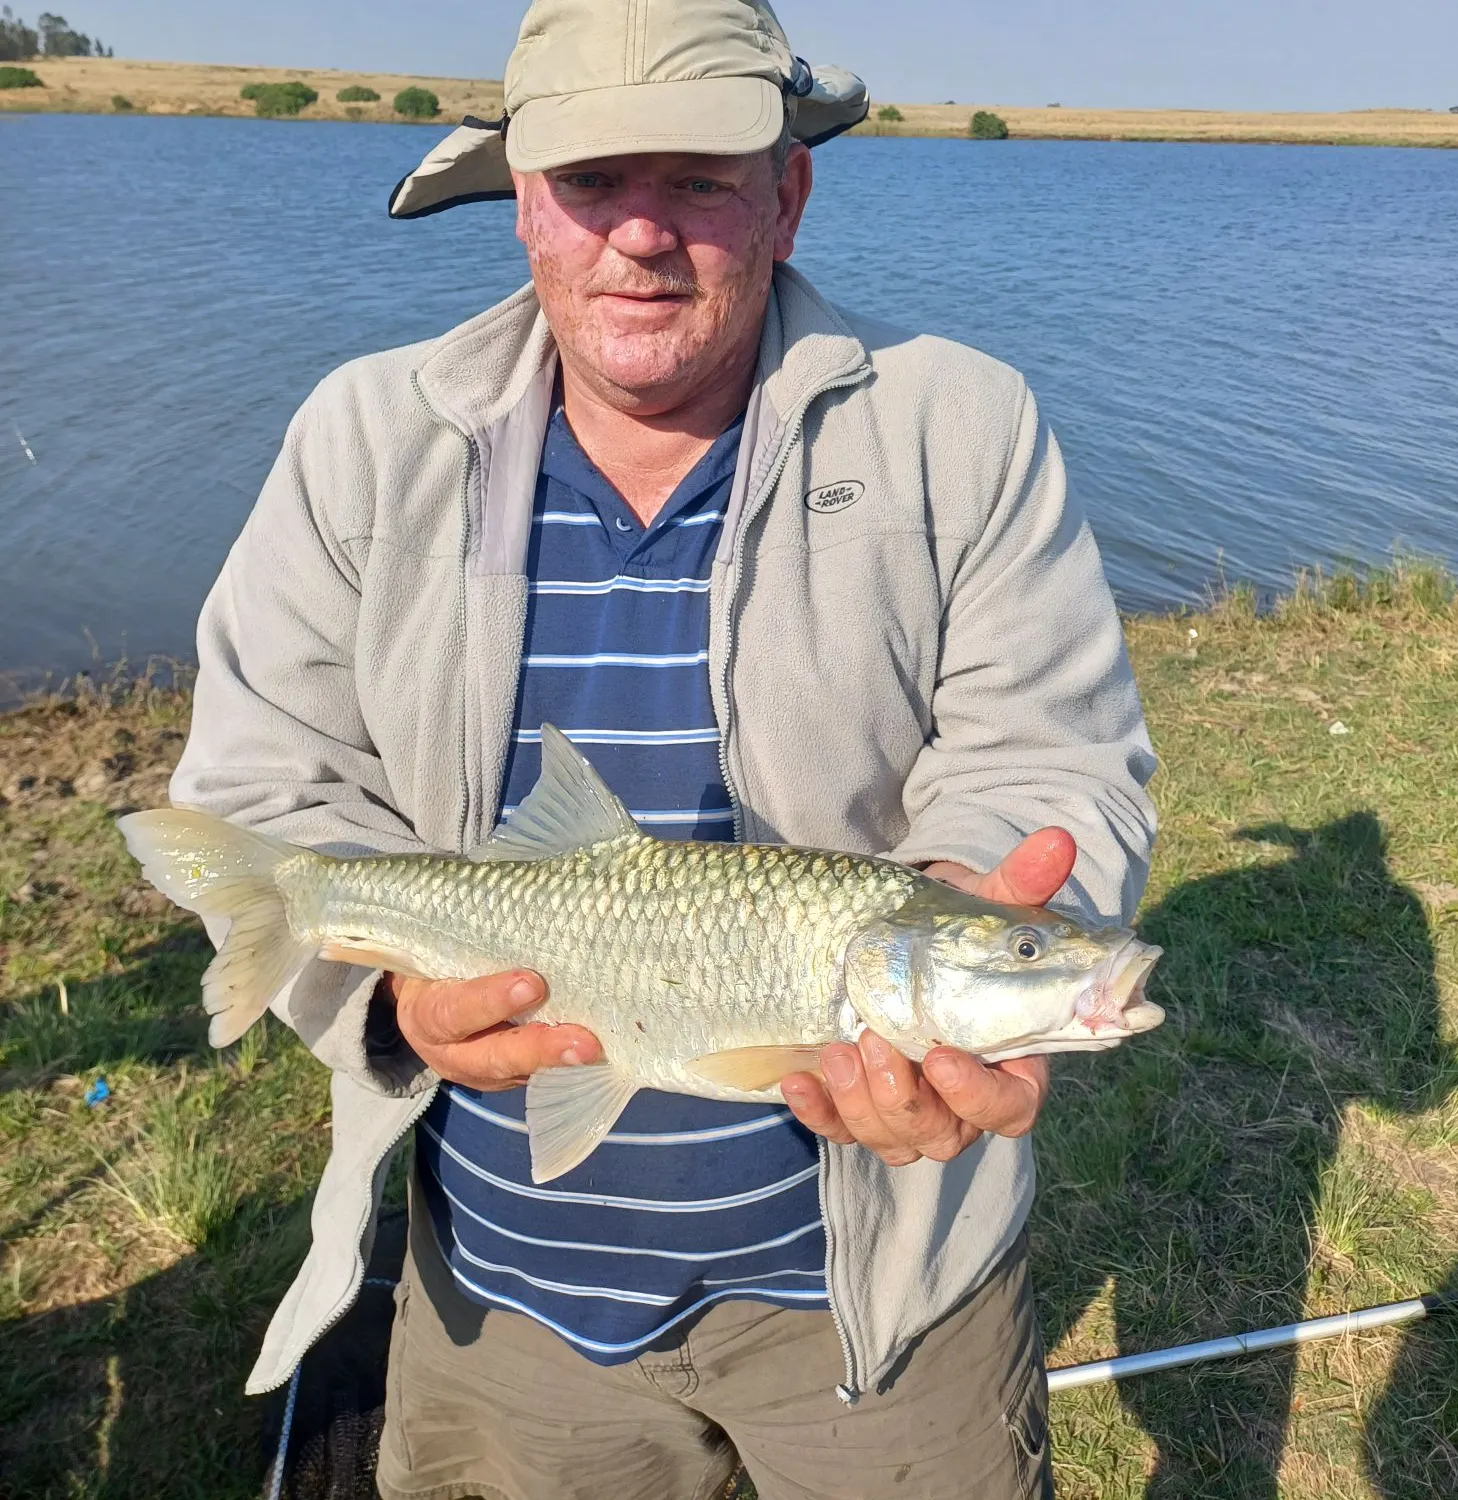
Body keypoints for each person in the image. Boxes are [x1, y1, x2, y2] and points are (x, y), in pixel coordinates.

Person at [172, 2, 1156, 1496]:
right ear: (522, 204)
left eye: (697, 179)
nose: (640, 235)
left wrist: (980, 901)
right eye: (591, 183)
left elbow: (1052, 753)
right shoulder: (361, 438)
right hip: (497, 1295)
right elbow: (261, 780)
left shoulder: (963, 422)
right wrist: (392, 1009)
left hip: (881, 1290)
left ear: (787, 192)